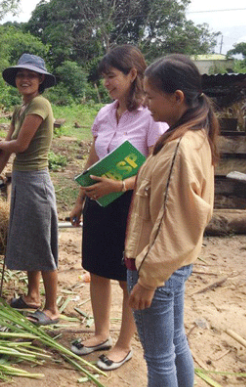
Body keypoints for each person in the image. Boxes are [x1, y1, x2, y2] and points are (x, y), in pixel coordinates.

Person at [68, 45, 168, 371]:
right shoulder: (103, 113)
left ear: (132, 74)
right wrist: (81, 198)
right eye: (105, 78)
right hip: (99, 200)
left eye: (112, 76)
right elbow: (94, 157)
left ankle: (124, 344)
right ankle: (100, 333)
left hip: (130, 206)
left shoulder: (152, 117)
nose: (107, 83)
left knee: (126, 275)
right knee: (96, 268)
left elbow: (157, 169)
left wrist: (121, 185)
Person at [126, 54, 218, 386]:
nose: (146, 102)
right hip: (173, 265)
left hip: (157, 267)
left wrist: (148, 281)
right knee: (175, 342)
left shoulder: (180, 148)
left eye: (151, 95)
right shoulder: (193, 136)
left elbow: (172, 223)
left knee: (159, 358)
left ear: (176, 97)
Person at [0, 53, 60, 325]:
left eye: (31, 75)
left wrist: (0, 143)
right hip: (22, 180)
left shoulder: (40, 104)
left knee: (43, 244)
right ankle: (32, 296)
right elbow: (5, 151)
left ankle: (52, 308)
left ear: (41, 80)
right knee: (29, 240)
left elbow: (19, 146)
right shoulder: (19, 109)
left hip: (36, 181)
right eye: (21, 75)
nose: (25, 79)